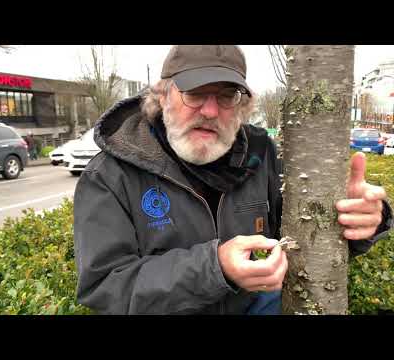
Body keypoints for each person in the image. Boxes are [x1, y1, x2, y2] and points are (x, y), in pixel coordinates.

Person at [73, 45, 393, 315]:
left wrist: (362, 220)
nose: (210, 110)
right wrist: (215, 267)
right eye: (195, 93)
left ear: (242, 106)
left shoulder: (262, 153)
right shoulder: (110, 175)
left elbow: (305, 235)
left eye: (227, 96)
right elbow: (104, 286)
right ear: (163, 96)